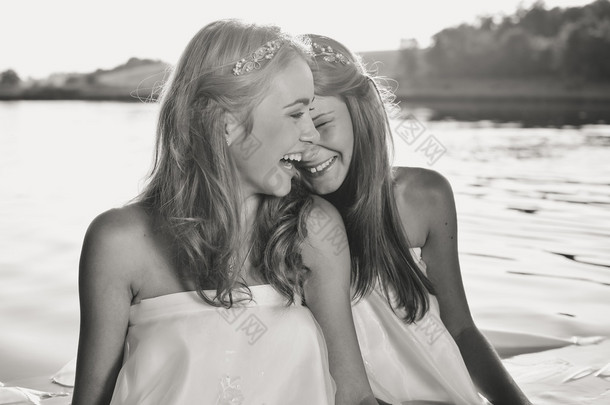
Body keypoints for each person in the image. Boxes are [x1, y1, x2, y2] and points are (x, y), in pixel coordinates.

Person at [71, 21, 381, 405]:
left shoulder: (313, 230)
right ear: (226, 124)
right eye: (296, 114)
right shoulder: (119, 243)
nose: (312, 135)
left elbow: (352, 393)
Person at [297, 34, 533, 405]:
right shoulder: (284, 222)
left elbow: (461, 328)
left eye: (323, 123)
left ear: (361, 113)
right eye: (294, 133)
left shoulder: (424, 197)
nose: (308, 150)